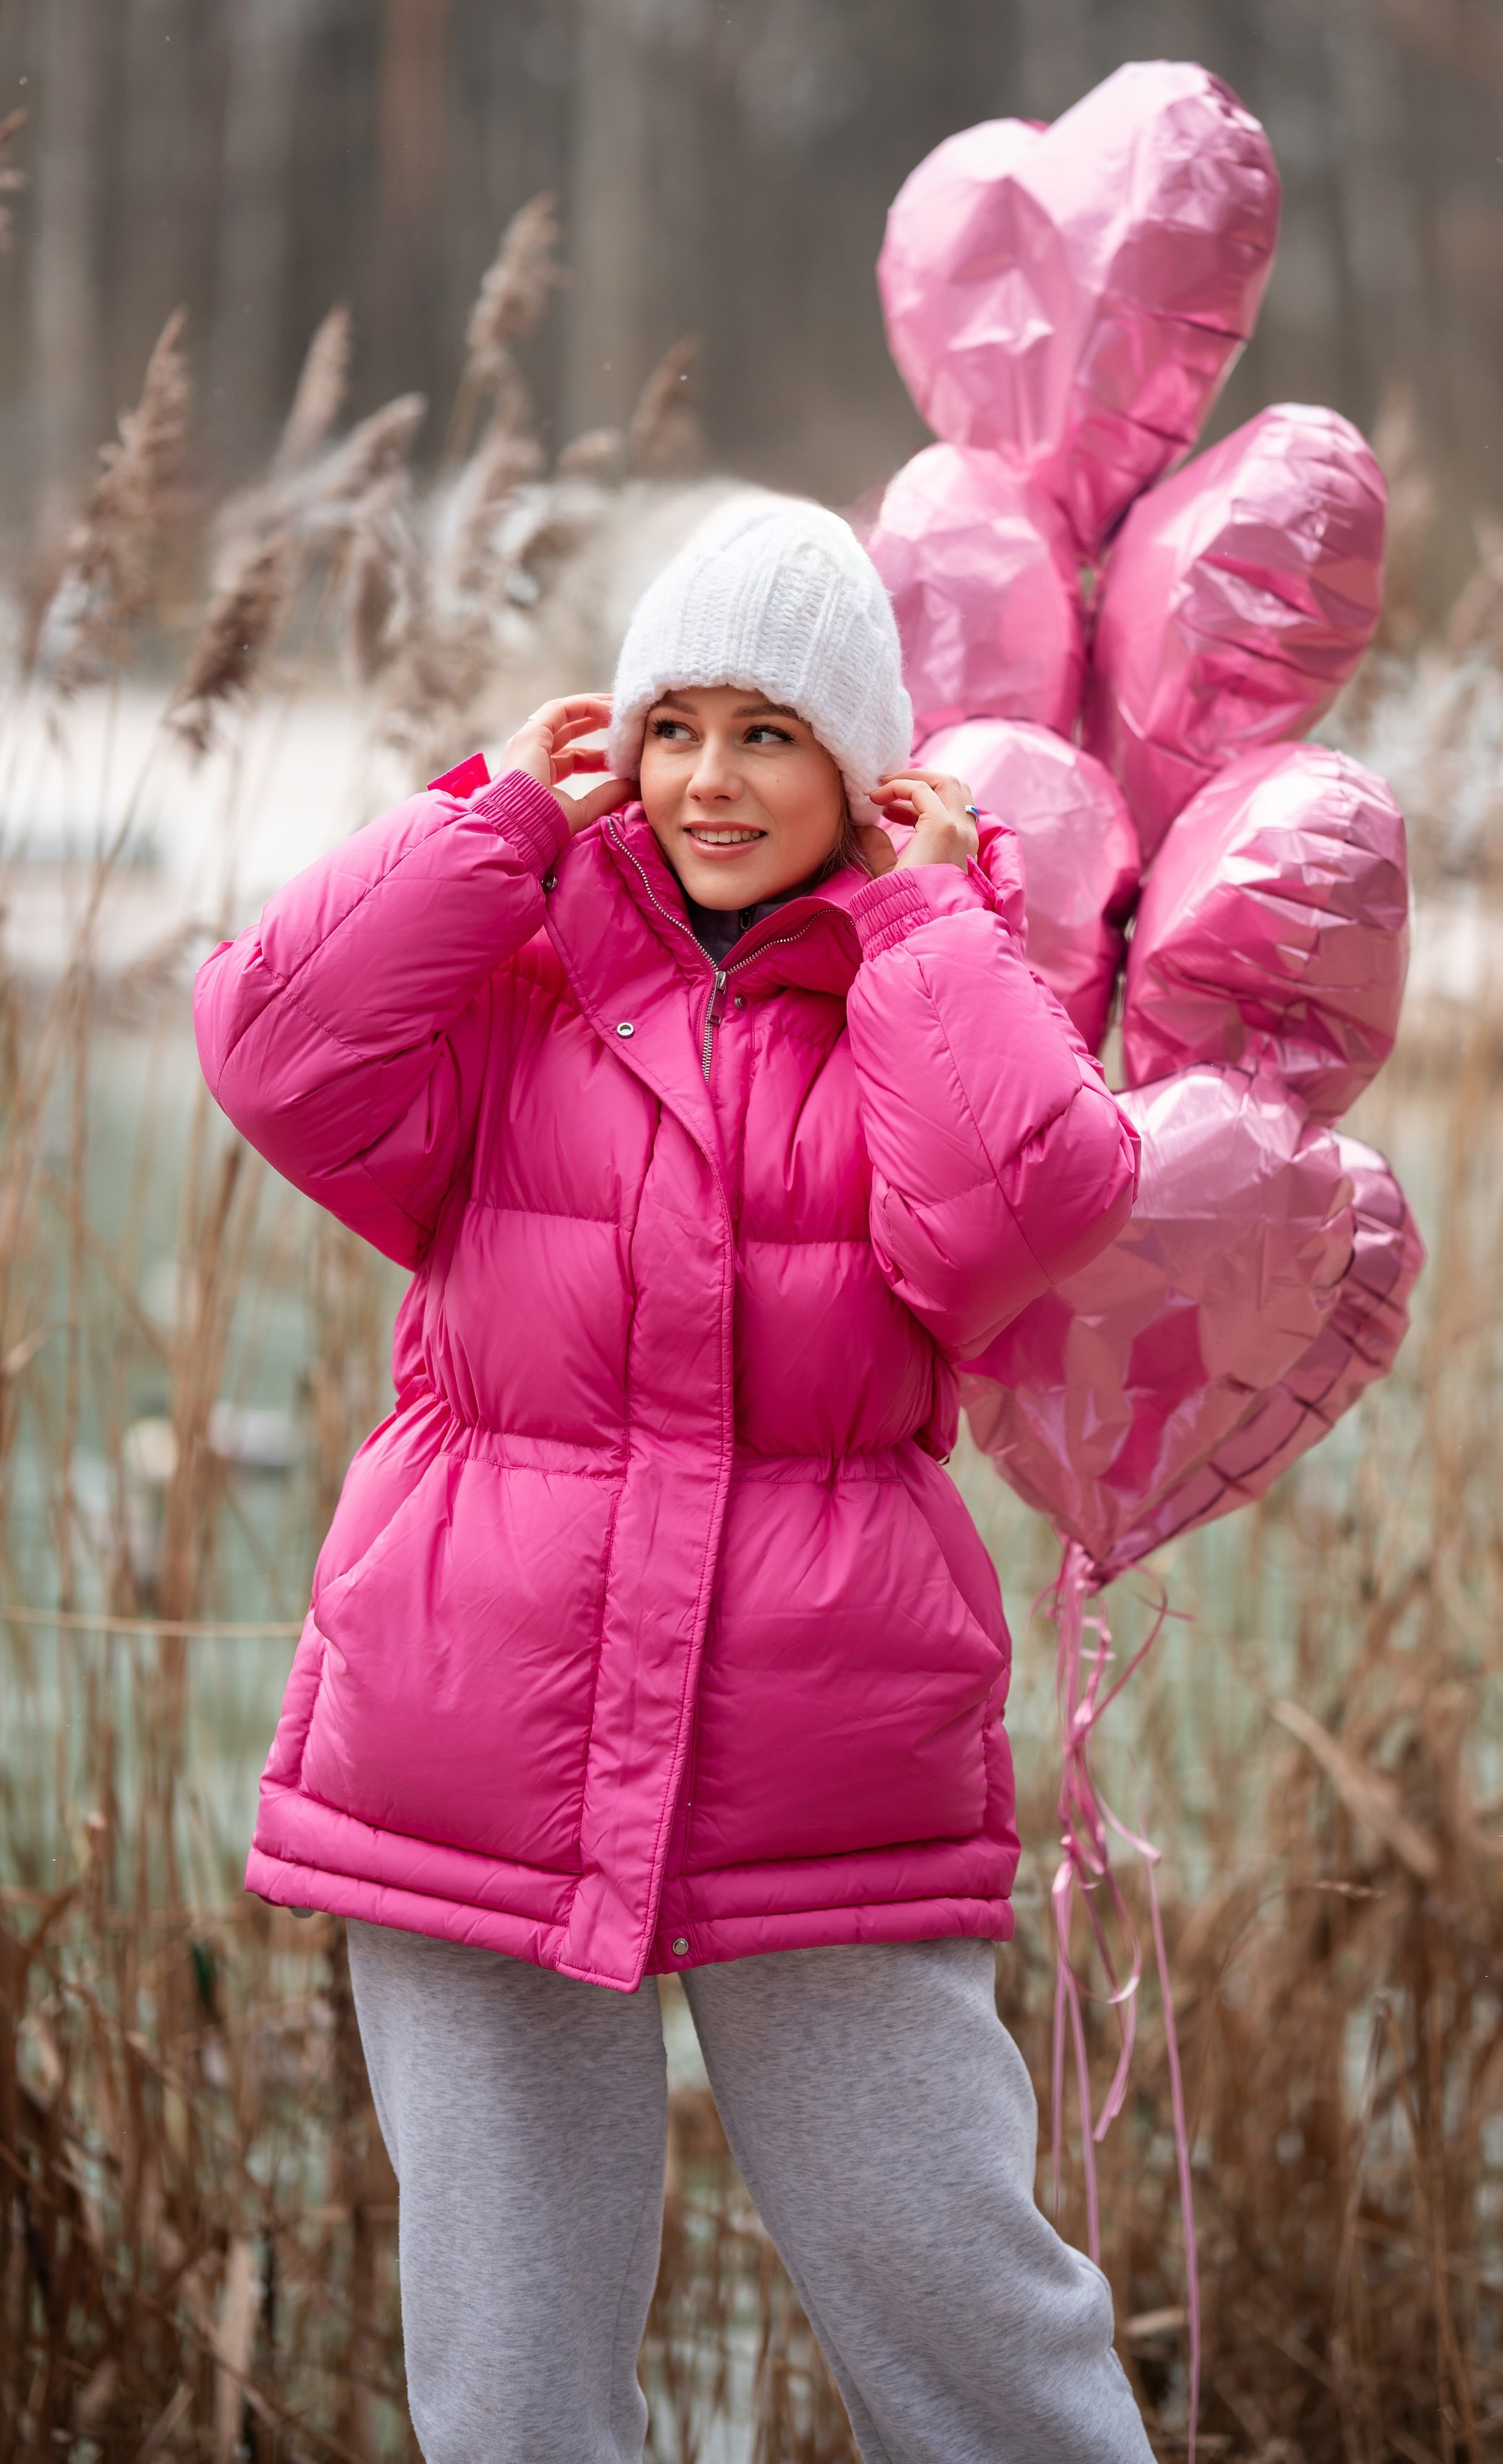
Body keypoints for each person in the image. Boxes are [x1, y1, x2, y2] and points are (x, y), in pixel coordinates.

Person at [194, 496, 1152, 2464]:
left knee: (969, 2316)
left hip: (827, 1760)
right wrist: (484, 825)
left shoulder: (909, 993)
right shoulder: (510, 984)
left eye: (770, 733)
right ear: (616, 743)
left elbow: (1029, 1201)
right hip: (473, 1753)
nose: (711, 781)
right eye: (675, 726)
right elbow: (274, 1053)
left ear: (857, 770)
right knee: (512, 2378)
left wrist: (924, 921)